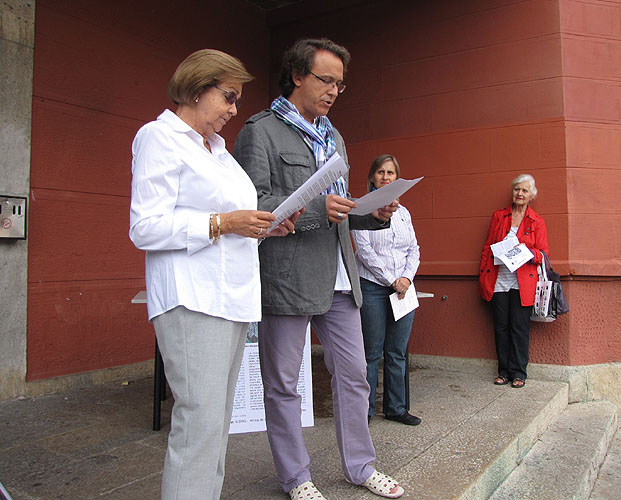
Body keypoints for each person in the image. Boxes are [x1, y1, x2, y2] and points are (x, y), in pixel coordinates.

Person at [233, 38, 405, 500]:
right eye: (326, 80)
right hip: (287, 278)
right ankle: (296, 477)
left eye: (340, 85)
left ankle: (361, 467)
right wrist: (315, 209)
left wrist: (373, 213)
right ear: (297, 76)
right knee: (283, 385)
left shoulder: (334, 135)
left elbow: (340, 209)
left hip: (340, 278)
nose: (333, 91)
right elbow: (252, 205)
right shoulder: (260, 131)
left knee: (354, 375)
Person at [129, 49, 299, 500]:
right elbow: (145, 227)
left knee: (216, 424)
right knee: (199, 423)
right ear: (196, 88)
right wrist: (224, 223)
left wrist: (264, 227)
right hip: (192, 298)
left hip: (231, 298)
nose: (233, 110)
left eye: (237, 100)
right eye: (228, 97)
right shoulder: (159, 137)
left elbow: (231, 227)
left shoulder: (220, 152)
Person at [352, 154, 421, 426]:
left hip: (403, 289)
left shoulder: (404, 213)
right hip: (372, 287)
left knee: (397, 351)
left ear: (397, 178)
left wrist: (406, 279)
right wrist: (393, 280)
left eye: (390, 172)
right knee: (371, 352)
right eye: (380, 172)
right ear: (372, 177)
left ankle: (396, 408)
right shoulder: (362, 209)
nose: (385, 177)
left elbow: (414, 249)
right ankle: (365, 411)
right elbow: (364, 251)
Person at [478, 174, 549, 389]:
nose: (519, 193)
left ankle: (519, 372)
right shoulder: (499, 216)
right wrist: (483, 275)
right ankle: (503, 371)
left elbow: (543, 254)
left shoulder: (537, 221)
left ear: (531, 195)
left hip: (523, 282)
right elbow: (487, 248)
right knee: (501, 327)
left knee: (519, 327)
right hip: (499, 279)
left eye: (524, 190)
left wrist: (527, 253)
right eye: (517, 189)